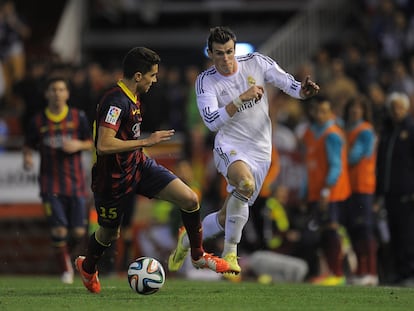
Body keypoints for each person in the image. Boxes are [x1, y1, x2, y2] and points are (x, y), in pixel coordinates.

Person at [74, 46, 231, 294]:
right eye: (152, 75)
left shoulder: (133, 97)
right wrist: (146, 142)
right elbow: (104, 145)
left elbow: (127, 136)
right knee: (108, 234)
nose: (155, 80)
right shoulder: (115, 101)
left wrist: (144, 152)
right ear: (138, 76)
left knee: (189, 199)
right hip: (111, 179)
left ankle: (198, 255)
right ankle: (88, 266)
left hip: (139, 166)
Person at [168, 26, 319, 276]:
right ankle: (231, 252)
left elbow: (288, 83)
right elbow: (211, 121)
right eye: (219, 54)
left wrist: (302, 92)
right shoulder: (206, 81)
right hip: (230, 145)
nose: (225, 59)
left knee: (225, 216)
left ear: (234, 49)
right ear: (210, 53)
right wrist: (240, 100)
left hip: (261, 151)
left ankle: (187, 240)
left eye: (229, 52)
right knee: (245, 184)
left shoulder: (256, 62)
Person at [22, 76, 93, 284]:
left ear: (67, 94)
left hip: (76, 183)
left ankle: (62, 255)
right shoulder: (37, 121)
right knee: (59, 229)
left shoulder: (78, 117)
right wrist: (27, 157)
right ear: (47, 94)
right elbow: (28, 145)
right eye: (53, 89)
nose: (57, 93)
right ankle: (65, 270)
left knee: (79, 232)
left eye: (61, 89)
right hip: (49, 184)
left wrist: (78, 145)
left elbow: (91, 142)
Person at [301, 97, 351, 286]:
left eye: (325, 111)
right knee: (322, 232)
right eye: (317, 111)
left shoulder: (332, 134)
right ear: (313, 112)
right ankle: (327, 272)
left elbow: (336, 166)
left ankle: (337, 274)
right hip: (316, 191)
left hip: (330, 193)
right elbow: (309, 165)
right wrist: (304, 191)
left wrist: (325, 191)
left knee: (331, 230)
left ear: (331, 113)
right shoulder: (311, 133)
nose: (320, 115)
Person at [375, 91, 414, 286]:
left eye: (399, 107)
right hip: (390, 192)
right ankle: (400, 272)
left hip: (407, 192)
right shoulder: (388, 131)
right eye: (393, 108)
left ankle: (409, 272)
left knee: (408, 233)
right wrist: (379, 191)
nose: (396, 111)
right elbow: (381, 163)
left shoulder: (411, 130)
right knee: (395, 233)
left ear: (406, 109)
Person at [343, 95, 379, 286]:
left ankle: (371, 271)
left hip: (363, 185)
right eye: (352, 108)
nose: (355, 111)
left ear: (364, 112)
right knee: (354, 229)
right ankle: (361, 270)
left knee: (364, 228)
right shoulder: (348, 130)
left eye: (359, 108)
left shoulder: (365, 131)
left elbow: (353, 157)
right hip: (350, 186)